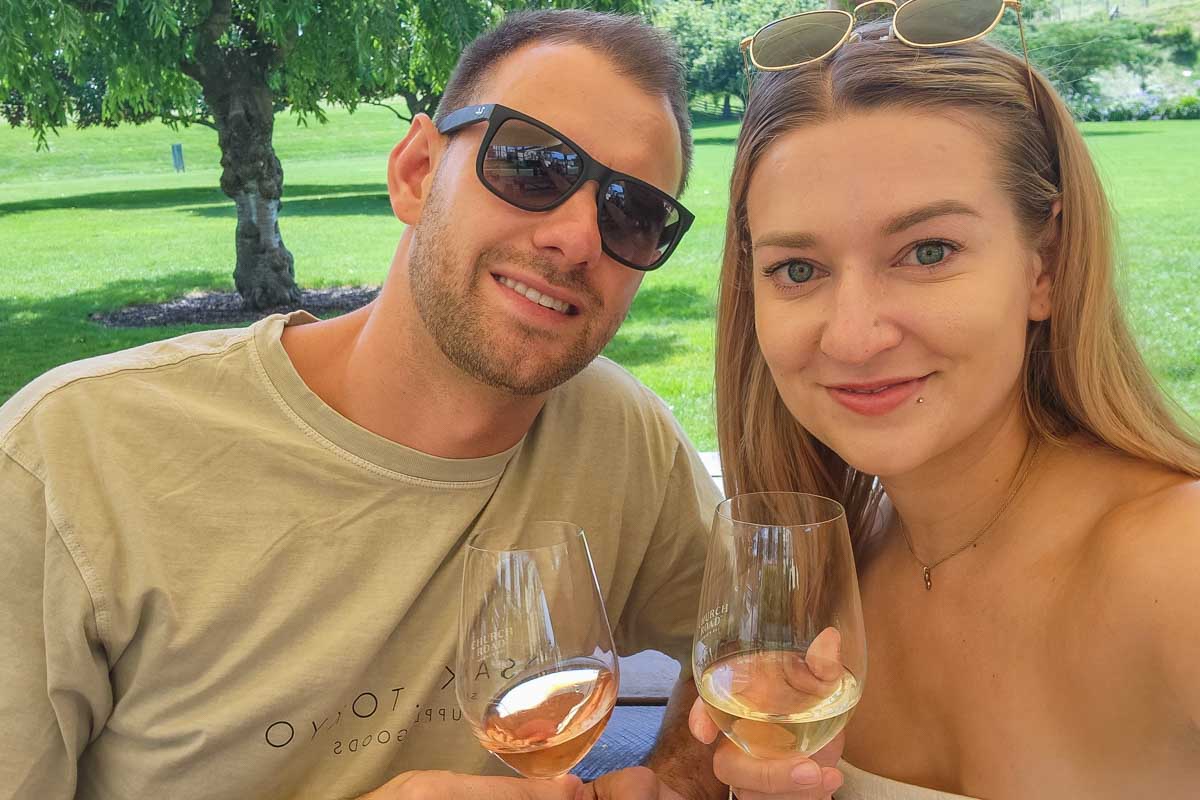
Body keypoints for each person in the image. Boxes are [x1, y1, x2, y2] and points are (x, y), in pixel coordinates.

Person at [0, 10, 842, 800]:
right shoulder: (72, 458)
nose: (578, 238)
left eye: (633, 213)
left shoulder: (622, 440)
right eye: (534, 166)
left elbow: (745, 655)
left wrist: (674, 772)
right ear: (413, 172)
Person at [689, 7, 1200, 799]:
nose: (854, 336)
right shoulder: (820, 584)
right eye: (798, 270)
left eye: (928, 252)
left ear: (1045, 267)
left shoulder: (1179, 562)